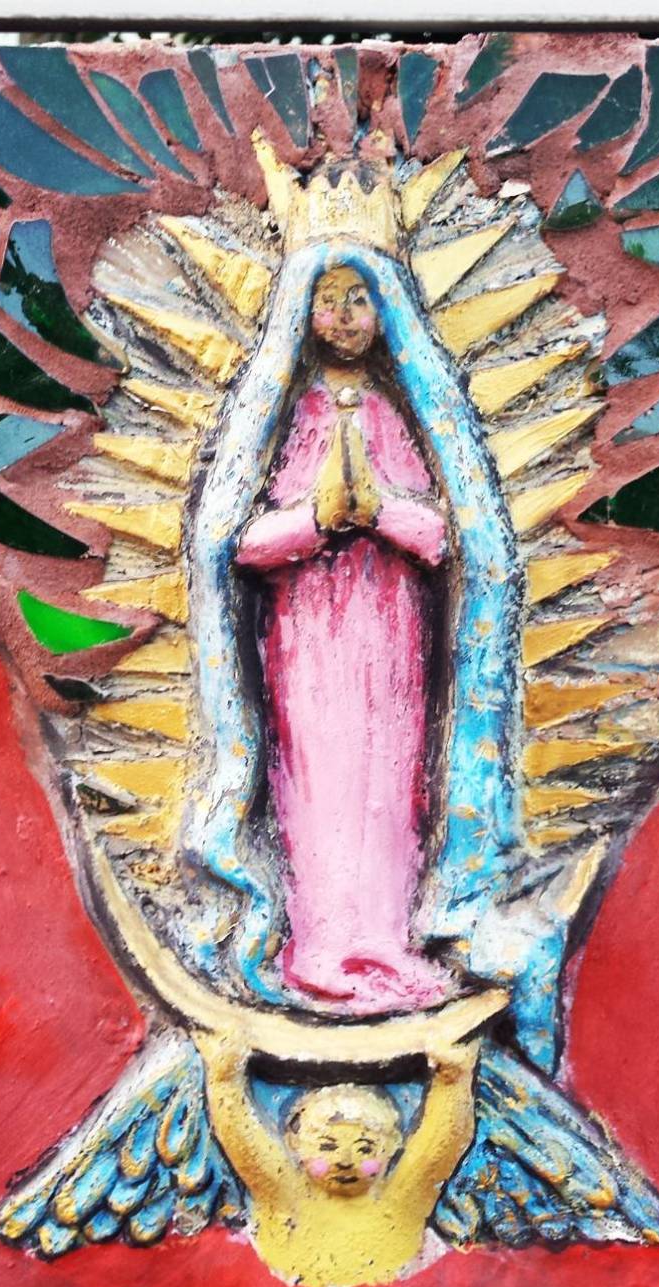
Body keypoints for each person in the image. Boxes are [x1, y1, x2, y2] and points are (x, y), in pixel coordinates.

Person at [235, 266, 452, 1015]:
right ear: (304, 315)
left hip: (390, 632)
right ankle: (321, 948)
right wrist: (316, 519)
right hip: (309, 634)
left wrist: (381, 511)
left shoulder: (395, 411)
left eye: (358, 299)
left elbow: (441, 533)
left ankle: (384, 945)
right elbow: (243, 541)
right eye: (328, 302)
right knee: (320, 775)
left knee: (389, 785)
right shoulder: (290, 416)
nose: (346, 315)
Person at [194, 1027, 480, 1287]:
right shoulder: (289, 1197)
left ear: (392, 1148)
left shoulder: (400, 1200)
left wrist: (453, 1079)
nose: (345, 1160)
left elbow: (439, 1147)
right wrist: (225, 1078)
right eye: (327, 1146)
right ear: (296, 1145)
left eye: (365, 1149)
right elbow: (245, 1144)